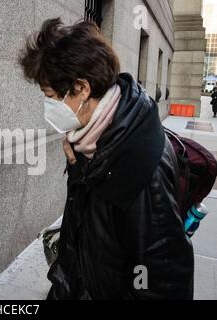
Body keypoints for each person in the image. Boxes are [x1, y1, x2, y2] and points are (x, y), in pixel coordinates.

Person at [19, 18, 194, 300]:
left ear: (82, 89)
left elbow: (165, 279)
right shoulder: (89, 139)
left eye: (50, 96)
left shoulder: (142, 165)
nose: (47, 107)